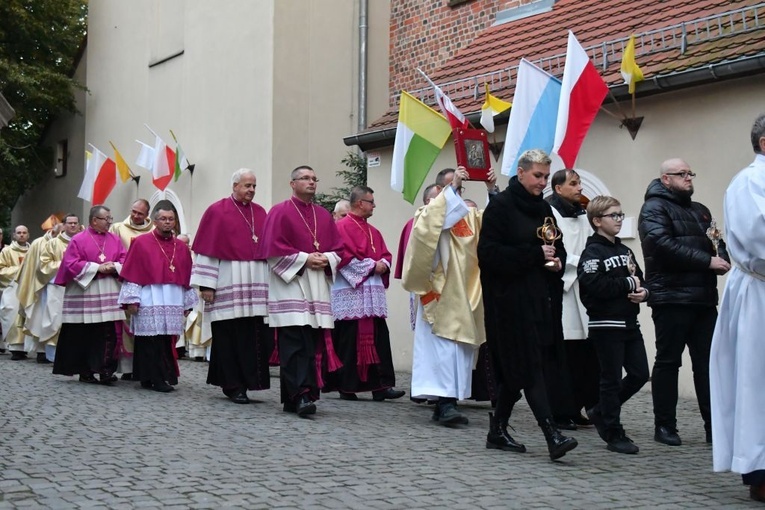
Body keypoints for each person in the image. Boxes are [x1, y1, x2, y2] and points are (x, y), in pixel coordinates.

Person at [478, 149, 578, 460]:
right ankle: (552, 435)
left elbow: (554, 245)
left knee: (515, 372)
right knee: (530, 367)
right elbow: (489, 256)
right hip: (507, 303)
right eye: (538, 176)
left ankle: (497, 431)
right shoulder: (500, 209)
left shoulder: (544, 209)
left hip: (539, 300)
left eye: (546, 177)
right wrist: (534, 257)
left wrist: (555, 263)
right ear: (520, 173)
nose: (542, 182)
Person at [638, 158, 730, 446]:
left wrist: (722, 255)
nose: (689, 177)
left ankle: (714, 427)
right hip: (671, 297)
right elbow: (660, 245)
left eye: (690, 173)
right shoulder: (653, 208)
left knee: (707, 364)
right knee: (668, 362)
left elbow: (715, 240)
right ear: (666, 179)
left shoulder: (700, 210)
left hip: (703, 299)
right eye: (682, 174)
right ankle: (664, 426)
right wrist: (707, 261)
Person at [710, 113, 765, 503]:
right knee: (756, 382)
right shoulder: (750, 182)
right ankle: (760, 469)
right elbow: (757, 235)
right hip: (759, 296)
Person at [402, 166, 484, 426]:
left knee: (457, 351)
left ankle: (449, 402)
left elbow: (491, 222)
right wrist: (452, 189)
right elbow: (432, 227)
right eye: (452, 187)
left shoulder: (468, 217)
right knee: (442, 350)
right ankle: (444, 403)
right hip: (437, 294)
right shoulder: (427, 213)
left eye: (460, 187)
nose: (458, 192)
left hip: (462, 294)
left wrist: (493, 190)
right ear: (439, 191)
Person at [260, 165, 344, 418]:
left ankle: (294, 397)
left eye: (314, 178)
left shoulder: (323, 215)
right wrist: (304, 260)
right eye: (305, 178)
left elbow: (339, 249)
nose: (311, 182)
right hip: (291, 286)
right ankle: (301, 395)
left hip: (316, 285)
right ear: (292, 183)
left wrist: (327, 258)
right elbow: (272, 249)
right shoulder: (279, 212)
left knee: (309, 343)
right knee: (293, 343)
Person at [190, 169, 271, 404]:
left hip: (255, 284)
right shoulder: (217, 211)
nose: (252, 190)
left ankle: (250, 381)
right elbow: (206, 251)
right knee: (229, 336)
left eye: (254, 186)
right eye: (247, 185)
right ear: (235, 185)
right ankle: (232, 384)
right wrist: (207, 285)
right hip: (227, 280)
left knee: (253, 334)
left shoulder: (260, 212)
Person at [578, 196, 650, 454]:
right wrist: (628, 285)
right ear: (597, 221)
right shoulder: (592, 252)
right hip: (606, 324)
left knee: (640, 373)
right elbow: (593, 286)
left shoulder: (624, 251)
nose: (619, 220)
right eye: (613, 216)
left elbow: (640, 279)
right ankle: (612, 431)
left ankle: (601, 410)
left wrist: (644, 293)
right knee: (610, 379)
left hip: (630, 323)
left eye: (620, 215)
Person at [326, 185, 405, 402]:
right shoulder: (341, 228)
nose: (374, 205)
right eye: (371, 202)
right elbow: (341, 257)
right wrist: (372, 266)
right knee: (350, 339)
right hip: (351, 293)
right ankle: (347, 385)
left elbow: (386, 255)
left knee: (378, 337)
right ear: (360, 203)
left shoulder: (374, 231)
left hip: (372, 296)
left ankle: (381, 386)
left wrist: (384, 264)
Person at [119, 201, 197, 393]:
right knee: (149, 340)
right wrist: (132, 300)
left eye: (171, 219)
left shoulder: (181, 246)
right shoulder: (141, 243)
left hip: (173, 297)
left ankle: (161, 376)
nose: (168, 223)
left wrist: (188, 303)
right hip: (149, 297)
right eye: (163, 219)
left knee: (165, 340)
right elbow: (133, 273)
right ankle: (150, 377)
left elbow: (187, 277)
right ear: (154, 221)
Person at [52, 206, 126, 384]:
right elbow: (70, 264)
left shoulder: (115, 239)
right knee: (84, 334)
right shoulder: (78, 239)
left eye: (110, 218)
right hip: (84, 291)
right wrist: (97, 267)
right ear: (94, 220)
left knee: (108, 334)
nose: (109, 222)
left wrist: (115, 267)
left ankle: (106, 371)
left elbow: (125, 258)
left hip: (109, 290)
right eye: (106, 219)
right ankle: (86, 371)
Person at [549, 169, 598, 428]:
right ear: (558, 188)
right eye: (574, 184)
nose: (579, 188)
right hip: (564, 289)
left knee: (583, 356)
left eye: (579, 183)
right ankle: (560, 410)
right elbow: (554, 253)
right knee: (564, 356)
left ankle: (577, 406)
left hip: (583, 290)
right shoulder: (550, 214)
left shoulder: (582, 214)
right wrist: (580, 264)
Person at [110, 198, 154, 380]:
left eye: (140, 213)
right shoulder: (118, 228)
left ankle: (143, 366)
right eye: (133, 211)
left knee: (145, 323)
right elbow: (112, 250)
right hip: (122, 281)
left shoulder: (153, 231)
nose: (135, 216)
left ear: (147, 215)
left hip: (147, 283)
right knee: (123, 323)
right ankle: (126, 368)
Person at [30, 215, 80, 362]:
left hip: (78, 285)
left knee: (74, 320)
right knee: (54, 319)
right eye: (69, 223)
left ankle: (72, 353)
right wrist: (66, 265)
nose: (72, 226)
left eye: (75, 223)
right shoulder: (53, 244)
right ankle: (51, 354)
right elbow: (43, 265)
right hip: (56, 286)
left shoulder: (82, 242)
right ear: (63, 225)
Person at [0, 225, 31, 359]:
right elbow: (1, 270)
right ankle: (14, 347)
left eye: (24, 232)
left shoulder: (33, 250)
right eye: (19, 233)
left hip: (29, 288)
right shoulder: (7, 251)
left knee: (28, 316)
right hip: (12, 288)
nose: (22, 235)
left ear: (28, 235)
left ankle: (25, 346)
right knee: (11, 313)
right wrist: (19, 270)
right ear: (14, 235)